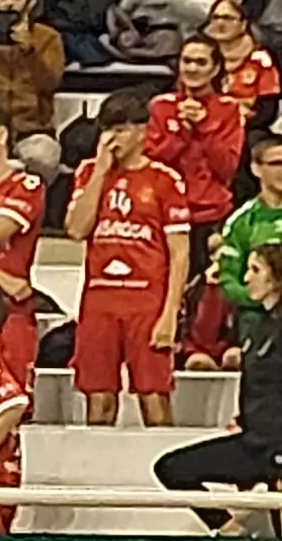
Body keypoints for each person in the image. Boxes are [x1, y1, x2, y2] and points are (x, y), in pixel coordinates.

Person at [63, 104, 195, 429]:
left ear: (141, 131)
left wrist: (170, 313)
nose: (112, 139)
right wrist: (100, 172)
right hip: (99, 299)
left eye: (120, 130)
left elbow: (180, 253)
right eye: (107, 130)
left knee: (154, 398)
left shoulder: (164, 179)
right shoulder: (88, 172)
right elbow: (77, 229)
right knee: (99, 399)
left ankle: (163, 461)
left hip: (146, 300)